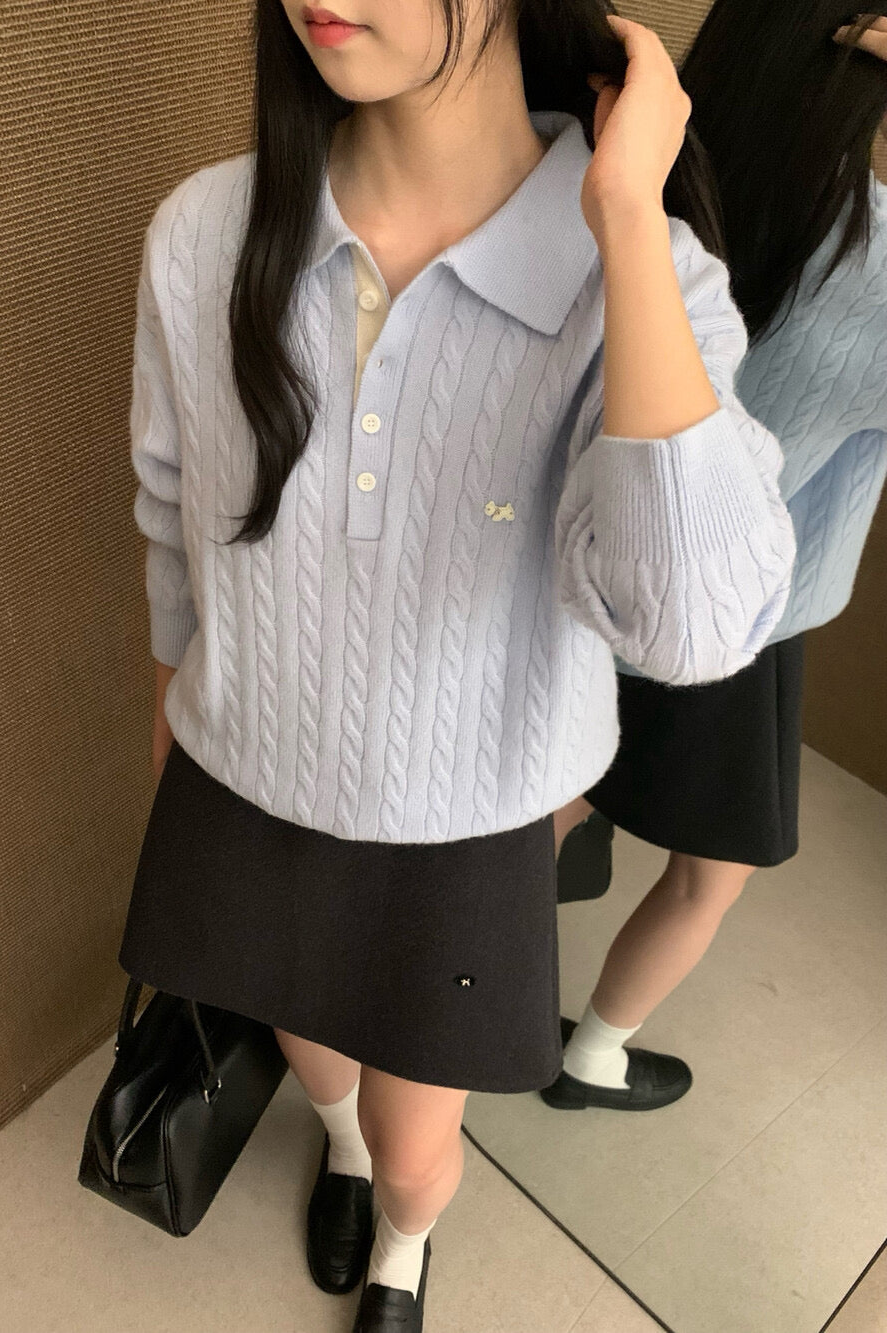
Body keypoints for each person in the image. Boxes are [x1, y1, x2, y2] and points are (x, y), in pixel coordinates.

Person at [115, 0, 796, 1327]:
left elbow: (695, 626)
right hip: (244, 780)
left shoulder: (639, 271)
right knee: (317, 1057)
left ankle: (404, 1242)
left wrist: (626, 222)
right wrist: (171, 726)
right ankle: (343, 1154)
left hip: (463, 822)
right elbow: (171, 514)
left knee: (423, 1144)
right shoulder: (205, 231)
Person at [545, 7, 887, 1114]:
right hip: (742, 611)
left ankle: (461, 1004)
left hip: (589, 571)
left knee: (538, 807)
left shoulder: (630, 177)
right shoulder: (875, 268)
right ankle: (593, 1057)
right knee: (709, 876)